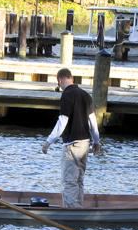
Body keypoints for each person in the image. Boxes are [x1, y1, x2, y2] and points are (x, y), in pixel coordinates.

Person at [41, 68, 101, 208]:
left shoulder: (67, 95)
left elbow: (62, 121)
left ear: (60, 80)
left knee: (69, 181)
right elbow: (93, 122)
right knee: (79, 180)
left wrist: (48, 142)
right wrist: (96, 142)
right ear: (71, 78)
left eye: (59, 83)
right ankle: (79, 209)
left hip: (72, 145)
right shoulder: (86, 95)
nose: (60, 86)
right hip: (85, 144)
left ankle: (71, 213)